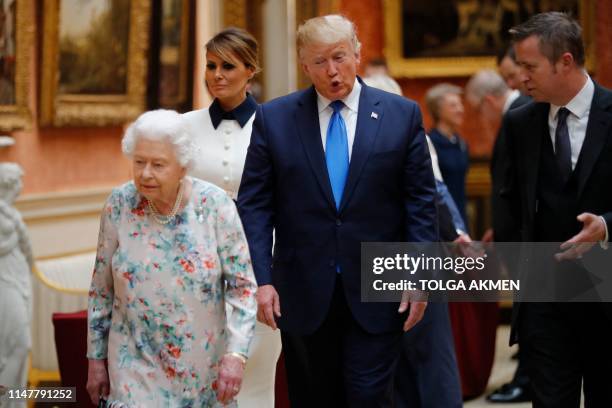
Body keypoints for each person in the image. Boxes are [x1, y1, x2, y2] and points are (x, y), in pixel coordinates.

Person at [238, 14, 436, 407]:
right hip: (303, 292)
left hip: (380, 288)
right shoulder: (275, 119)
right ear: (303, 65)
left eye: (340, 57)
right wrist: (261, 280)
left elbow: (420, 202)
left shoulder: (402, 115)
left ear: (358, 54)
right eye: (319, 62)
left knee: (368, 397)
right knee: (314, 398)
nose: (332, 71)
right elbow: (255, 206)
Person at [86, 109, 257, 407]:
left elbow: (243, 288)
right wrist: (95, 359)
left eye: (158, 164)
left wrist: (236, 354)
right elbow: (101, 290)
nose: (145, 173)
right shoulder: (119, 205)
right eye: (139, 162)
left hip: (201, 369)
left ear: (183, 166)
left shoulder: (215, 206)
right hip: (132, 364)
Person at [501, 12, 612, 407]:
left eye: (529, 67)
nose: (520, 77)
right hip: (544, 298)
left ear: (565, 61)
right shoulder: (519, 123)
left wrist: (606, 225)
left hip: (607, 289)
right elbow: (508, 205)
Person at [183, 27, 282, 407]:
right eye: (210, 66)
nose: (217, 74)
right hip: (195, 264)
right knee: (201, 370)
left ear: (250, 71)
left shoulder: (275, 124)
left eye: (228, 65)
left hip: (258, 263)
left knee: (256, 373)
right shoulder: (182, 127)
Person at [364, 73, 463, 408]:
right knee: (402, 362)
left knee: (428, 358)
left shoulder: (407, 133)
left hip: (412, 254)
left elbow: (434, 195)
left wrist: (456, 234)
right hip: (385, 257)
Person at [425, 82, 499, 399]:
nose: (460, 108)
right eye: (453, 104)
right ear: (439, 108)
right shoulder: (432, 142)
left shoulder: (462, 143)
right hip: (442, 228)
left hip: (458, 221)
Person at [465, 69, 532, 403]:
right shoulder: (519, 112)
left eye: (479, 110)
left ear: (489, 101)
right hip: (514, 230)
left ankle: (527, 379)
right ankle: (527, 375)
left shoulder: (519, 113)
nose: (482, 118)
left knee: (531, 307)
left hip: (525, 235)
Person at [0, 162, 33, 408]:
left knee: (19, 345)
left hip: (18, 277)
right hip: (4, 282)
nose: (22, 186)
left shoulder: (9, 212)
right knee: (19, 343)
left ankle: (14, 401)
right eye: (18, 180)